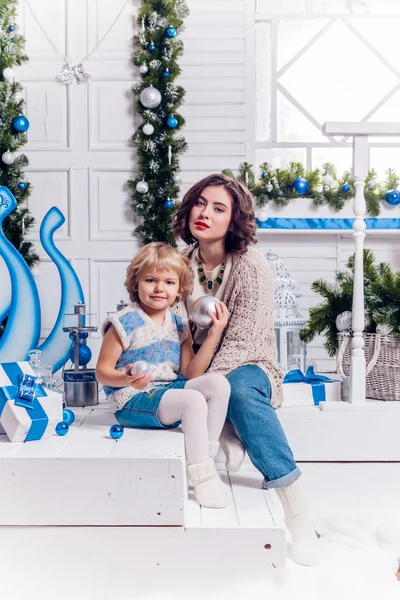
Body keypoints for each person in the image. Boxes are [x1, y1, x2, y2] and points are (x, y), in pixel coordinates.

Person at [172, 173, 319, 566]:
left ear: (234, 220)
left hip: (250, 365)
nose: (205, 213)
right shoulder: (179, 264)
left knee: (234, 388)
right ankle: (225, 430)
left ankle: (298, 514)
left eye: (219, 208)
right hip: (193, 368)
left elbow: (242, 342)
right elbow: (170, 329)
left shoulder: (251, 267)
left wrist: (202, 384)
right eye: (201, 203)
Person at [96, 242, 231, 509]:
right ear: (136, 284)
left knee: (218, 384)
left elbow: (191, 373)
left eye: (169, 282)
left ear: (179, 289)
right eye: (150, 280)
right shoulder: (124, 323)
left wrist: (214, 333)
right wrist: (126, 378)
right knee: (193, 401)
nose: (159, 288)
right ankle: (202, 478)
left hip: (167, 390)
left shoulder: (180, 324)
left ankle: (207, 459)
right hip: (134, 398)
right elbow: (102, 371)